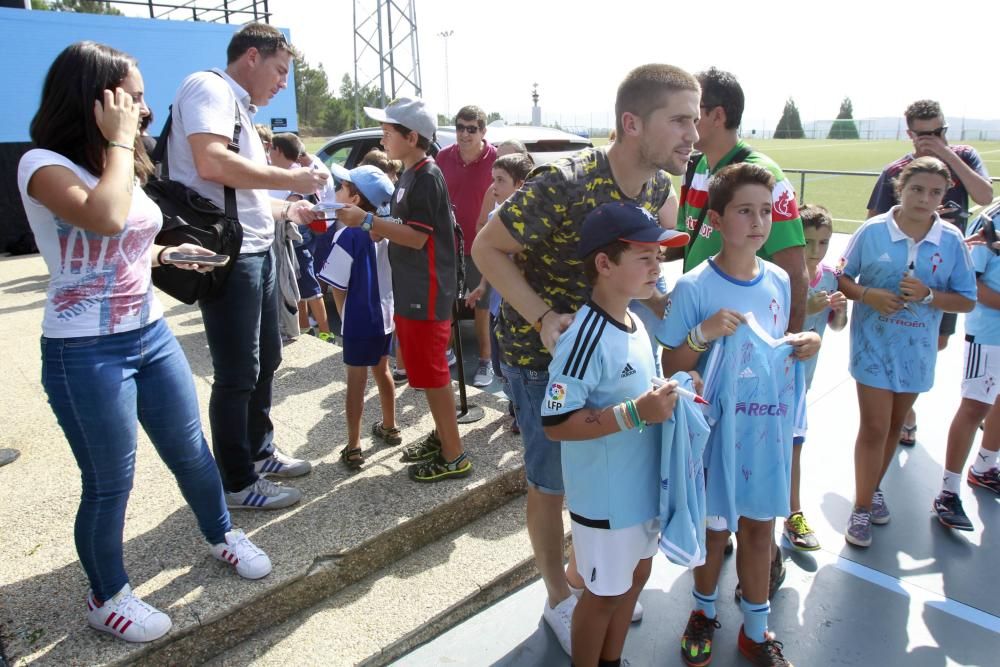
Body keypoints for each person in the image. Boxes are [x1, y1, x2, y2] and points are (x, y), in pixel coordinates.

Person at [17, 41, 271, 643]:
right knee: (110, 480)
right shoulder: (42, 164)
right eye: (133, 97)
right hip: (85, 350)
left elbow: (126, 240)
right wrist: (118, 143)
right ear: (96, 99)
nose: (144, 110)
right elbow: (101, 218)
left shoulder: (119, 159)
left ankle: (221, 533)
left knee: (190, 451)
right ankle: (106, 596)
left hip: (149, 334)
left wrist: (169, 252)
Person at [473, 63, 698, 655]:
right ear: (632, 123)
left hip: (614, 350)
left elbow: (646, 274)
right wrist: (544, 317)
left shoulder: (658, 190)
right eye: (678, 120)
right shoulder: (563, 183)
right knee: (551, 482)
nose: (692, 135)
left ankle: (600, 575)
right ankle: (559, 597)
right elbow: (486, 248)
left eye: (695, 121)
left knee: (612, 468)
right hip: (542, 355)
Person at [660, 163, 819, 667]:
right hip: (713, 436)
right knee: (713, 530)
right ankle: (703, 612)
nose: (757, 222)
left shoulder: (777, 280)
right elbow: (671, 365)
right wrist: (702, 335)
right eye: (744, 211)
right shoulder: (694, 286)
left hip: (762, 432)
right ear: (718, 220)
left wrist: (805, 344)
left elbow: (775, 350)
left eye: (764, 212)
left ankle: (756, 628)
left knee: (758, 529)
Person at [167, 23, 328, 509]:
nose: (283, 82)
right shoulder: (209, 88)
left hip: (255, 249)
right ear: (252, 57)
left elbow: (241, 194)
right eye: (280, 71)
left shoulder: (238, 105)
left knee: (265, 360)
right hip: (232, 257)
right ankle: (237, 482)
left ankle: (258, 453)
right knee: (237, 371)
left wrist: (289, 208)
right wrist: (290, 175)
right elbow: (212, 163)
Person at [542, 203, 685, 666]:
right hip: (605, 503)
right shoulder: (583, 338)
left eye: (657, 256)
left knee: (635, 579)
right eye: (644, 256)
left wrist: (671, 392)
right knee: (601, 596)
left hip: (641, 491)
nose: (657, 266)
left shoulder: (638, 322)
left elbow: (639, 395)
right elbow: (556, 422)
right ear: (604, 264)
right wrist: (635, 413)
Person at [838, 156, 977, 548]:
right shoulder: (872, 231)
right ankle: (862, 507)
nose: (924, 198)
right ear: (901, 188)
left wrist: (930, 295)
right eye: (917, 189)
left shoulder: (951, 240)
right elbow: (844, 278)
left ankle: (872, 486)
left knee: (896, 426)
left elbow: (966, 300)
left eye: (935, 192)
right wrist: (869, 295)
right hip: (873, 346)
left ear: (944, 195)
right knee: (875, 426)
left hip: (917, 351)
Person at [338, 96, 472, 483]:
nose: (382, 139)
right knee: (425, 373)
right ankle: (445, 436)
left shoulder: (427, 177)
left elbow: (416, 238)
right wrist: (378, 228)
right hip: (413, 289)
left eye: (387, 132)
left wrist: (367, 222)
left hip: (426, 291)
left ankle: (454, 454)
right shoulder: (411, 173)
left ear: (412, 137)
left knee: (432, 374)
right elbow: (404, 229)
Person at [867, 100, 994, 446]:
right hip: (904, 274)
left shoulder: (964, 156)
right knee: (897, 339)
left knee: (935, 342)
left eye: (939, 132)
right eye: (925, 135)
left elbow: (985, 194)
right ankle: (902, 414)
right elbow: (871, 223)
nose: (933, 139)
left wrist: (946, 156)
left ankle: (906, 404)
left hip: (948, 275)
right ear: (910, 134)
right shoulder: (896, 172)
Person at [666, 67, 808, 333]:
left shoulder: (766, 179)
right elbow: (686, 238)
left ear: (717, 115)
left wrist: (785, 350)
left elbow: (795, 274)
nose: (684, 125)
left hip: (744, 336)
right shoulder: (694, 168)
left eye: (691, 115)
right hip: (699, 325)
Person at [318, 164, 399, 470]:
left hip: (359, 319)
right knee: (383, 370)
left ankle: (353, 445)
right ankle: (390, 426)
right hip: (386, 316)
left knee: (356, 381)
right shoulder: (385, 230)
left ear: (354, 198)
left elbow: (337, 285)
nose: (336, 191)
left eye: (341, 186)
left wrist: (343, 315)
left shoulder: (348, 235)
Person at [784, 204, 848, 552]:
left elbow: (837, 327)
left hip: (801, 384)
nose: (815, 251)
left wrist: (839, 310)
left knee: (795, 445)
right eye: (807, 242)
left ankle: (793, 513)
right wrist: (804, 309)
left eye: (823, 242)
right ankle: (721, 517)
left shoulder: (831, 278)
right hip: (769, 384)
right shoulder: (782, 275)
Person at [934, 212, 1000, 530]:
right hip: (989, 334)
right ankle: (948, 491)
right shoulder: (992, 220)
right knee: (975, 406)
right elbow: (970, 284)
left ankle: (985, 467)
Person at [437, 105, 498, 388]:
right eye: (460, 127)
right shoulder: (442, 157)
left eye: (471, 129)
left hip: (483, 247)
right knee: (448, 300)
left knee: (481, 305)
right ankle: (447, 351)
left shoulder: (496, 159)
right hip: (449, 244)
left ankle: (485, 360)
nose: (464, 134)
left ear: (483, 131)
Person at [268, 131, 335, 342]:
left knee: (311, 287)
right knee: (295, 284)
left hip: (297, 240)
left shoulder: (298, 177)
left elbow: (294, 205)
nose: (268, 153)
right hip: (284, 240)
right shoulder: (280, 173)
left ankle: (326, 333)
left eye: (270, 149)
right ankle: (304, 327)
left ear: (278, 150)